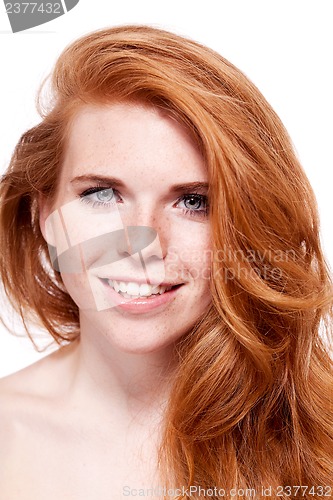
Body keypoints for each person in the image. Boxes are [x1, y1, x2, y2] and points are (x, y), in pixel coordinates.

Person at [0, 25, 332, 499]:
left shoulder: (319, 436)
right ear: (45, 213)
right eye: (101, 194)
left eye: (194, 202)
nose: (143, 244)